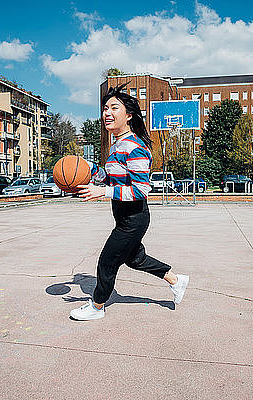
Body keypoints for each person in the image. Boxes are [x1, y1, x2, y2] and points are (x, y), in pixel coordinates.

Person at [70, 83, 189, 321]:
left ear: (129, 115)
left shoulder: (135, 147)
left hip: (134, 217)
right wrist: (86, 168)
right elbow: (110, 176)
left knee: (107, 261)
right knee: (135, 259)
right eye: (105, 108)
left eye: (114, 107)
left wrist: (103, 192)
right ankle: (176, 280)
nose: (107, 112)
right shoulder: (117, 145)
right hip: (124, 216)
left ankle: (97, 306)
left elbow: (141, 190)